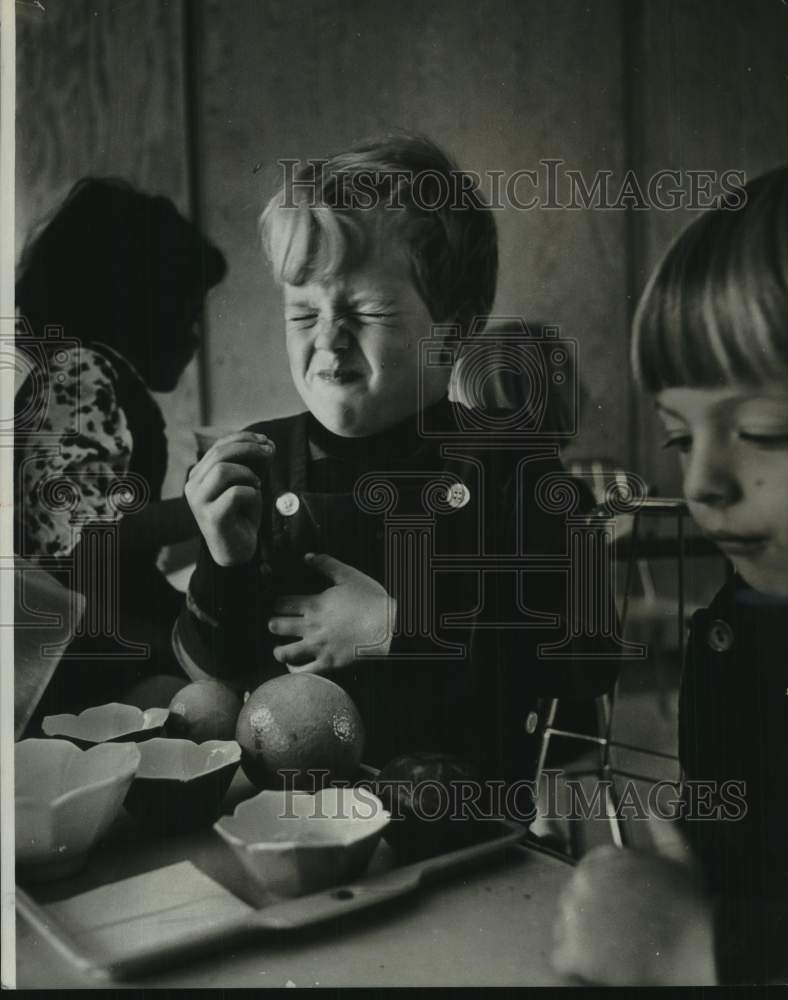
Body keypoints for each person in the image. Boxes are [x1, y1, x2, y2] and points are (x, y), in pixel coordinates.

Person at [174, 133, 621, 793]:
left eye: (367, 310)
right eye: (303, 314)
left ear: (459, 331)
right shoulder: (261, 465)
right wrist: (223, 563)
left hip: (469, 830)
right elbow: (215, 672)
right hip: (295, 824)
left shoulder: (511, 467)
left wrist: (403, 628)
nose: (326, 339)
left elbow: (588, 660)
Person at [553, 165, 788, 985]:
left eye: (763, 429)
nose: (700, 483)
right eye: (682, 438)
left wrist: (704, 949)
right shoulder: (739, 626)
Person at [14, 177, 227, 718]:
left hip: (94, 619)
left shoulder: (91, 375)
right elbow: (78, 544)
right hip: (67, 641)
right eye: (190, 313)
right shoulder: (81, 374)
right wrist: (201, 507)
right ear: (139, 305)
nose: (198, 338)